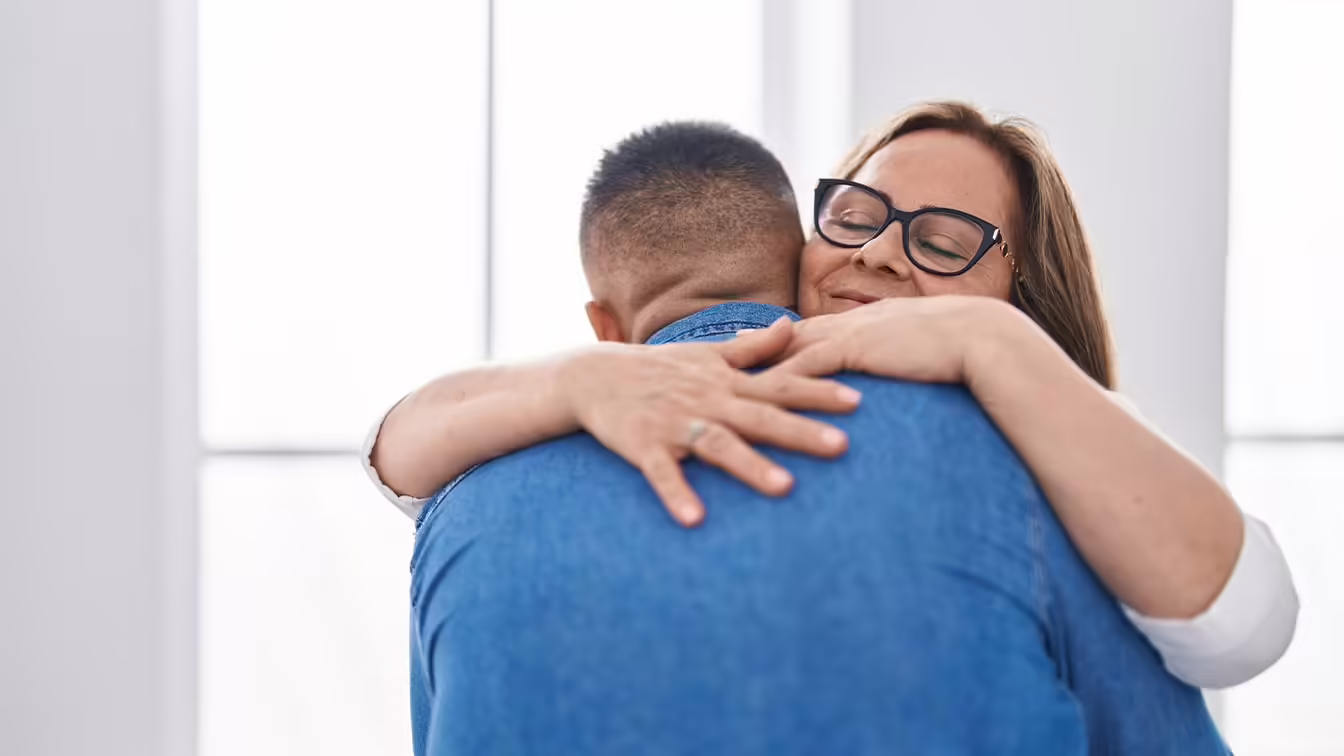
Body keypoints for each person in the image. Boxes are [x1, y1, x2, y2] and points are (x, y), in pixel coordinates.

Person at [371, 103, 1298, 692]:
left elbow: (1243, 628)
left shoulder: (1044, 440)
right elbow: (398, 449)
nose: (880, 252)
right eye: (857, 215)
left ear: (1024, 298)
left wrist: (991, 345)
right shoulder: (648, 390)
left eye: (946, 240)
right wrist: (578, 379)